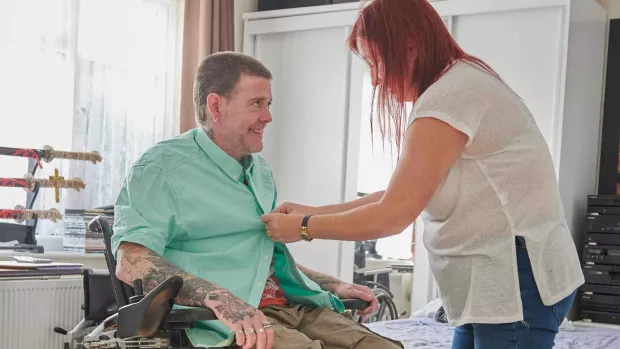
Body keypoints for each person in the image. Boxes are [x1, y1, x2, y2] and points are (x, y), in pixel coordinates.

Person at [260, 1, 584, 348]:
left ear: (410, 48)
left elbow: (393, 215)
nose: (375, 78)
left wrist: (305, 227)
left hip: (513, 284)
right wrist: (310, 212)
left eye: (375, 63)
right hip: (495, 288)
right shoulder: (457, 85)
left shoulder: (449, 98)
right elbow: (401, 194)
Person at [111, 51, 403, 349]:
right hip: (227, 324)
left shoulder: (259, 171)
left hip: (291, 307)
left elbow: (261, 260)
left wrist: (331, 284)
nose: (268, 116)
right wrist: (220, 298)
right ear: (216, 106)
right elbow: (131, 263)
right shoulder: (161, 169)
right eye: (256, 104)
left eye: (268, 103)